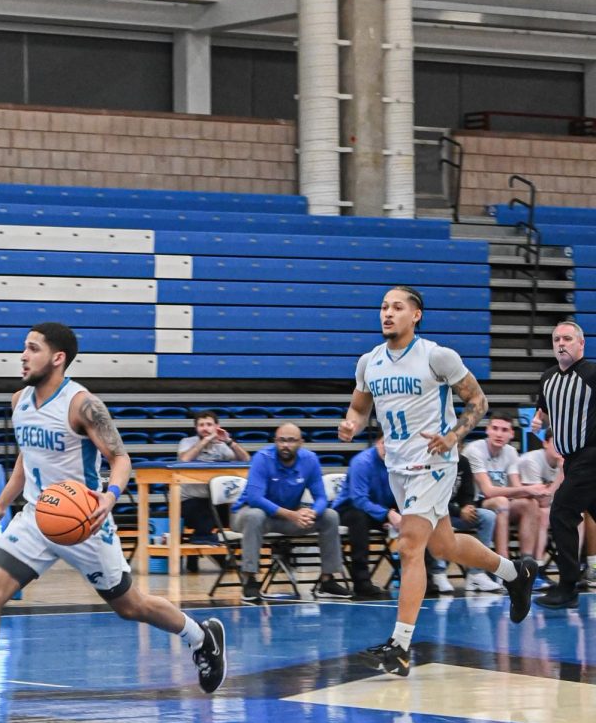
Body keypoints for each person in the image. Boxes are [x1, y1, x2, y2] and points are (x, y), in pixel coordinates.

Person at [0, 322, 225, 723]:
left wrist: (109, 497)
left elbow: (120, 459)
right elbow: (27, 458)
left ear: (57, 358)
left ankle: (200, 637)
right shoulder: (18, 400)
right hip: (37, 516)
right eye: (24, 348)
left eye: (32, 349)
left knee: (131, 606)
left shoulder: (83, 404)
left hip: (84, 520)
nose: (22, 356)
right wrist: (0, 505)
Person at [339, 285, 536, 676]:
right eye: (383, 307)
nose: (387, 313)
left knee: (410, 547)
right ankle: (516, 573)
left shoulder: (437, 356)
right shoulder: (369, 362)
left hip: (435, 462)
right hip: (398, 467)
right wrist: (351, 424)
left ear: (416, 315)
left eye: (397, 307)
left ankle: (400, 646)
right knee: (443, 545)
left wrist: (453, 437)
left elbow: (478, 402)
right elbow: (359, 408)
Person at [230, 423, 349, 603]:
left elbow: (321, 498)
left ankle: (327, 580)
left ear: (300, 442)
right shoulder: (262, 458)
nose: (285, 445)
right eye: (281, 440)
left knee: (330, 516)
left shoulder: (310, 460)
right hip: (250, 515)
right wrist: (293, 515)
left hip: (288, 517)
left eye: (291, 440)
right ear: (275, 441)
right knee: (255, 515)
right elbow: (255, 499)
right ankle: (250, 581)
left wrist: (312, 514)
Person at [531, 320, 596, 609]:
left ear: (581, 344)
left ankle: (568, 586)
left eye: (568, 338)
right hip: (571, 460)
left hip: (592, 456)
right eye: (556, 339)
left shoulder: (593, 374)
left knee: (561, 512)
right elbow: (544, 408)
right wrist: (538, 418)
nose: (561, 343)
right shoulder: (548, 377)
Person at [463, 416, 548, 576]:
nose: (499, 434)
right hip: (475, 504)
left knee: (530, 504)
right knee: (502, 501)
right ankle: (504, 569)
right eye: (495, 428)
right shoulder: (474, 450)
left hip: (502, 504)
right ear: (487, 430)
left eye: (504, 430)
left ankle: (527, 566)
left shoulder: (511, 452)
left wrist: (534, 492)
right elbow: (487, 491)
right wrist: (529, 490)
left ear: (511, 434)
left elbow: (516, 487)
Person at [176, 410, 250, 571]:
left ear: (217, 426)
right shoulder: (187, 442)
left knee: (235, 512)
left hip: (215, 501)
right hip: (189, 501)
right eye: (201, 425)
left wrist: (229, 441)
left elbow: (246, 459)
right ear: (196, 428)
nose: (205, 428)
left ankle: (201, 546)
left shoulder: (221, 446)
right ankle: (216, 551)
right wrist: (206, 440)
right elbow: (184, 460)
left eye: (209, 425)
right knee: (205, 514)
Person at [331, 427, 396, 600]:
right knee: (359, 518)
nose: (388, 448)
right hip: (348, 510)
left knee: (414, 518)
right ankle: (361, 583)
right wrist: (387, 514)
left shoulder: (400, 464)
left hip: (379, 510)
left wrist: (395, 514)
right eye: (384, 443)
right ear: (377, 443)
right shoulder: (362, 462)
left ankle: (426, 577)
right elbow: (359, 499)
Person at [426, 453, 503, 595]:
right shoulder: (430, 463)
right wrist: (458, 511)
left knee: (488, 516)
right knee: (439, 516)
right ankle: (438, 572)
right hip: (436, 513)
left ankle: (476, 573)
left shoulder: (462, 461)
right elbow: (431, 500)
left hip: (457, 513)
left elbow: (468, 493)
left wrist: (468, 507)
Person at [516, 429, 563, 583]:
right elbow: (542, 500)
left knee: (579, 515)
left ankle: (573, 568)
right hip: (517, 505)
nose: (559, 448)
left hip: (543, 507)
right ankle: (537, 568)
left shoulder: (566, 462)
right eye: (555, 443)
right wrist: (561, 475)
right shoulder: (532, 461)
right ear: (545, 443)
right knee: (541, 511)